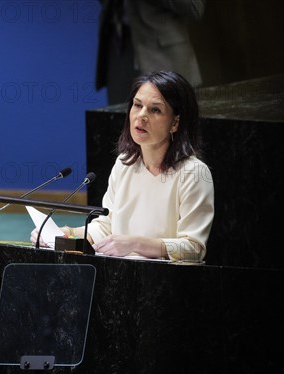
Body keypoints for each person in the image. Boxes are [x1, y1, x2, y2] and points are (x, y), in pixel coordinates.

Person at [31, 70, 214, 262]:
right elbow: (106, 227)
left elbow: (193, 248)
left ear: (175, 123)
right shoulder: (124, 163)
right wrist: (66, 233)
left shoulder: (194, 173)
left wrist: (135, 244)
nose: (141, 116)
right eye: (137, 105)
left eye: (155, 110)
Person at [96, 0, 206, 104]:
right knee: (121, 120)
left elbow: (194, 6)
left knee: (173, 121)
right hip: (118, 50)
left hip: (164, 57)